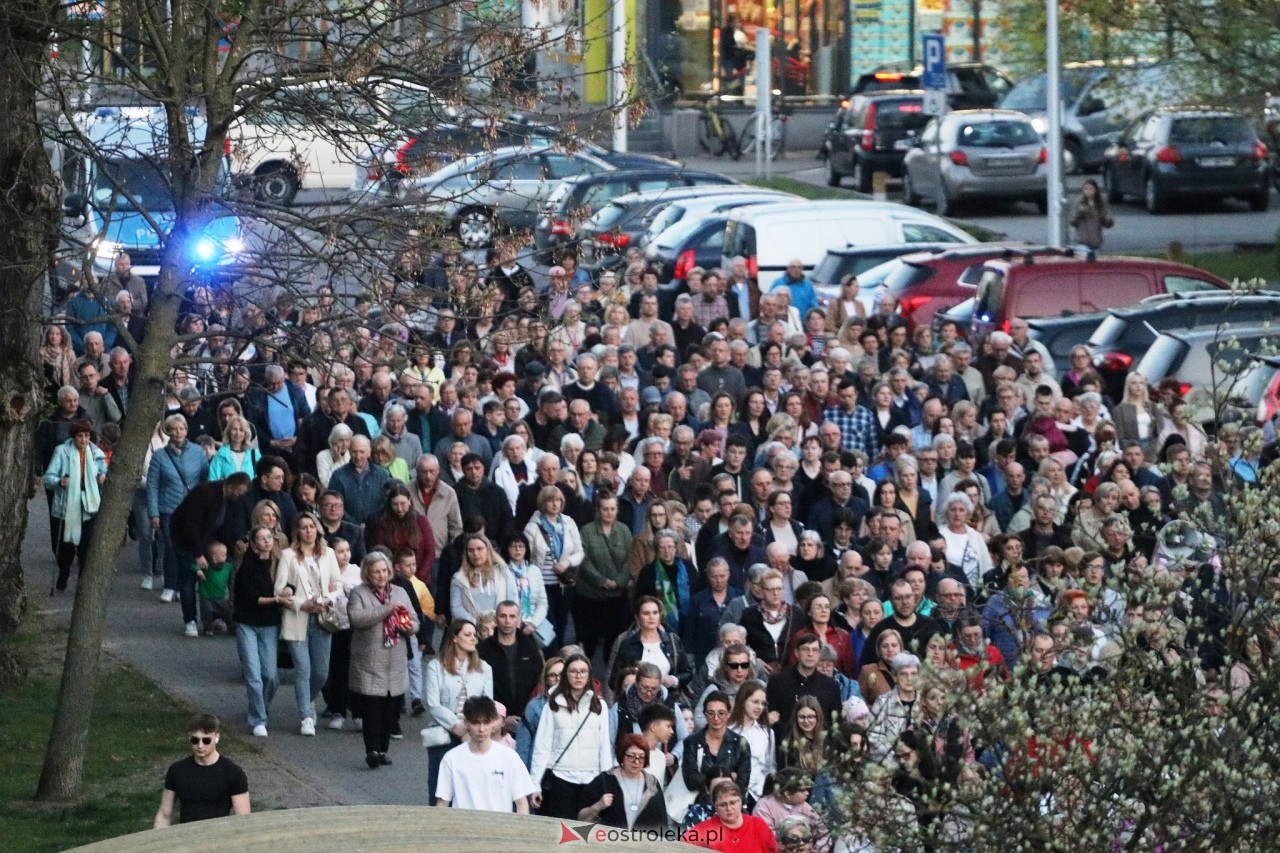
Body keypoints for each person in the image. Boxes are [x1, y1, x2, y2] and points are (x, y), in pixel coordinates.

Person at [347, 550, 419, 769]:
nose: (381, 575)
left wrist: (407, 626)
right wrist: (386, 609)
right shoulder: (359, 593)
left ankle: (383, 750)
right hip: (369, 661)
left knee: (390, 710)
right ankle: (372, 751)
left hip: (395, 660)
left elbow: (415, 621)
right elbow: (357, 618)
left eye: (384, 571)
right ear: (367, 573)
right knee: (372, 709)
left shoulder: (400, 592)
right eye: (376, 571)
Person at [274, 514, 342, 736]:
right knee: (303, 669)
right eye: (303, 527)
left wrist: (327, 599)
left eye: (312, 526)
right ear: (297, 531)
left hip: (322, 618)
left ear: (318, 529)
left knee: (321, 672)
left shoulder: (328, 553)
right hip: (297, 618)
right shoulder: (288, 556)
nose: (308, 531)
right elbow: (279, 589)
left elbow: (337, 584)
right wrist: (301, 604)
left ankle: (308, 698)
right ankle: (305, 717)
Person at [530, 653, 614, 819]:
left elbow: (604, 745)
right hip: (561, 777)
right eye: (573, 671)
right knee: (562, 830)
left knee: (587, 829)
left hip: (591, 777)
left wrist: (607, 783)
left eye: (583, 671)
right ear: (566, 675)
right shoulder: (552, 705)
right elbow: (542, 746)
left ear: (589, 675)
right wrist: (535, 783)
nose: (578, 676)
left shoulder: (600, 706)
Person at [425, 618, 495, 804]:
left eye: (474, 635)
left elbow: (487, 703)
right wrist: (456, 725)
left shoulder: (484, 668)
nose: (473, 639)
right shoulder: (436, 666)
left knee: (469, 788)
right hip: (445, 734)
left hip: (474, 734)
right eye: (467, 634)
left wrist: (471, 727)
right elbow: (433, 704)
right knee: (439, 787)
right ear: (455, 638)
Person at [436, 696, 538, 812]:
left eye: (486, 722)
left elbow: (522, 804)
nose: (481, 729)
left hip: (500, 823)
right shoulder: (451, 759)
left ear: (493, 723)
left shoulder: (510, 757)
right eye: (476, 723)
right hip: (463, 823)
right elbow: (442, 803)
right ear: (466, 723)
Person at [42, 420, 106, 594]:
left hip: (89, 505)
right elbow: (48, 478)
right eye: (80, 436)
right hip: (67, 505)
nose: (84, 440)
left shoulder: (96, 452)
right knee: (66, 548)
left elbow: (104, 470)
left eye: (87, 436)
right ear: (73, 437)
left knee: (86, 547)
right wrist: (60, 481)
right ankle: (64, 573)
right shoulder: (62, 451)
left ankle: (82, 583)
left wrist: (102, 476)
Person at [154, 713, 250, 827]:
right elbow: (164, 814)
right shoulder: (177, 771)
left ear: (217, 737)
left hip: (219, 834)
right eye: (195, 740)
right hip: (187, 834)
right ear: (189, 737)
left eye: (206, 740)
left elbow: (243, 819)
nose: (200, 746)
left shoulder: (233, 773)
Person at [233, 526, 284, 737]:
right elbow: (252, 598)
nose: (266, 541)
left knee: (271, 676)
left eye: (269, 537)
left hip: (270, 624)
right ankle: (258, 719)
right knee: (254, 674)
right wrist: (277, 599)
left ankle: (260, 706)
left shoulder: (279, 563)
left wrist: (288, 590)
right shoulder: (246, 566)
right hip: (247, 623)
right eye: (261, 538)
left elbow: (289, 582)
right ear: (253, 544)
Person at [524, 485, 584, 650]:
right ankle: (551, 657)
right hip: (542, 584)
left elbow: (579, 552)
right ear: (543, 502)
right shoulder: (533, 527)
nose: (555, 504)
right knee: (548, 625)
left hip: (564, 583)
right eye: (550, 500)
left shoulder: (568, 523)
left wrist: (567, 562)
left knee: (562, 623)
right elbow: (526, 556)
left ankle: (560, 654)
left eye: (558, 500)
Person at [575, 491, 634, 660]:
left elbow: (630, 559)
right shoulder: (587, 531)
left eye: (612, 509)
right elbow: (583, 559)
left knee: (613, 641)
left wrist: (619, 581)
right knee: (589, 640)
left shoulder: (624, 530)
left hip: (617, 597)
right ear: (598, 510)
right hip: (590, 596)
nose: (609, 513)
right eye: (605, 509)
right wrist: (601, 581)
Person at [578, 734, 669, 830]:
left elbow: (662, 821)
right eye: (631, 756)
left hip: (644, 839)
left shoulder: (652, 783)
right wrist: (598, 806)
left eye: (641, 757)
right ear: (622, 756)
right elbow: (581, 819)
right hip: (609, 838)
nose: (636, 762)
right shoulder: (604, 780)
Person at [479, 600, 545, 719]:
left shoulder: (529, 647)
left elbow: (538, 681)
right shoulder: (482, 650)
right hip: (493, 717)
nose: (507, 621)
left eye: (512, 616)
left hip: (527, 716)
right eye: (503, 616)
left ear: (518, 619)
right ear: (496, 619)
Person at [685, 779, 778, 852]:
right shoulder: (704, 831)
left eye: (733, 803)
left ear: (741, 801)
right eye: (722, 805)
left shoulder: (758, 825)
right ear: (715, 806)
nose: (729, 808)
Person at [193, 540, 233, 635]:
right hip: (206, 597)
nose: (226, 557)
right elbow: (193, 565)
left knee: (228, 612)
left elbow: (231, 579)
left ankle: (232, 626)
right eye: (223, 555)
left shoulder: (228, 567)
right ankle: (208, 628)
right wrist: (198, 570)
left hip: (221, 596)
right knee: (207, 613)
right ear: (214, 557)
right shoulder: (206, 566)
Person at [1069, 179, 1113, 250]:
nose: (1088, 191)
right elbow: (1072, 221)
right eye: (1086, 189)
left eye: (1090, 189)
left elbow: (1107, 223)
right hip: (1081, 240)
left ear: (1095, 190)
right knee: (1084, 253)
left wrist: (1108, 219)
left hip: (1096, 240)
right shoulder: (1079, 202)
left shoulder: (1101, 203)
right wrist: (1079, 213)